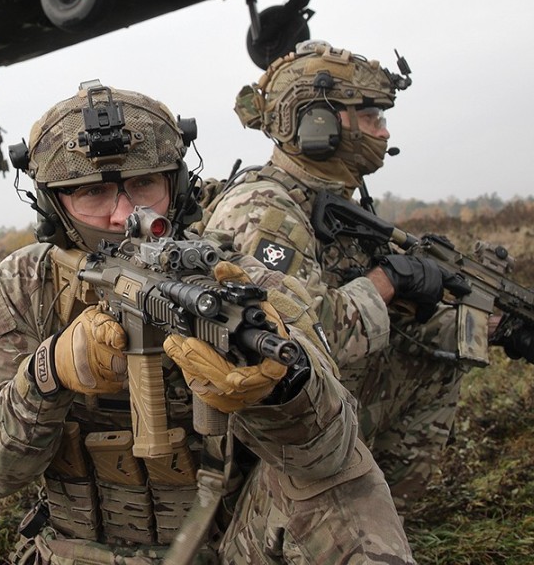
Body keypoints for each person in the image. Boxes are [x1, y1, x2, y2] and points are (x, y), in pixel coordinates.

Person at [0, 81, 419, 564]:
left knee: (346, 484)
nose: (127, 213)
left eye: (145, 184)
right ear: (52, 204)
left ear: (177, 183)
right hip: (74, 549)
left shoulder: (239, 278)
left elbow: (330, 453)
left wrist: (280, 392)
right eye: (93, 191)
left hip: (228, 546)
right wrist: (45, 375)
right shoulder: (18, 287)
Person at [199, 40, 471, 509]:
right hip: (267, 442)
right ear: (319, 124)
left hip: (317, 415)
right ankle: (335, 517)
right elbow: (302, 340)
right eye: (372, 119)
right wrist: (387, 282)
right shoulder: (267, 209)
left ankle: (380, 509)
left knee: (444, 341)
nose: (384, 133)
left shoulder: (328, 199)